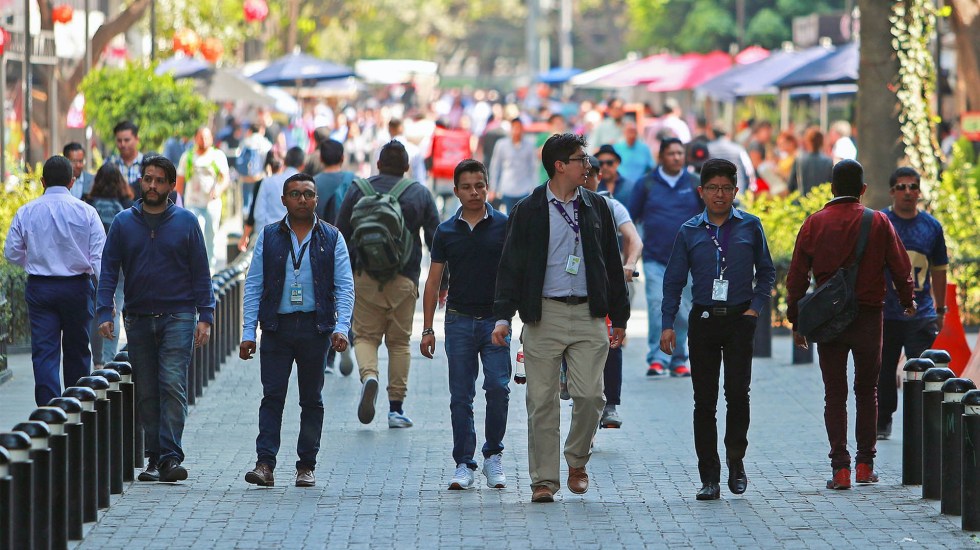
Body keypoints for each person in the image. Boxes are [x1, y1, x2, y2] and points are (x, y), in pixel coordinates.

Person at [492, 133, 630, 503]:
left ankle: (577, 459)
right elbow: (511, 268)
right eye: (581, 158)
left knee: (590, 396)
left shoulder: (596, 206)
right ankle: (543, 480)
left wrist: (620, 316)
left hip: (589, 315)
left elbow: (611, 265)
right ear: (560, 165)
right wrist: (503, 317)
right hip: (544, 314)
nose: (588, 165)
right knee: (541, 401)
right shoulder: (529, 209)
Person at [786, 159, 915, 490]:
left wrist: (796, 319)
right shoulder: (879, 222)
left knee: (834, 393)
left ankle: (840, 468)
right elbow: (901, 266)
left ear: (831, 188)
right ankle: (864, 465)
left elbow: (797, 276)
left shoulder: (814, 223)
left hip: (830, 319)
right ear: (862, 190)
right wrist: (906, 300)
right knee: (867, 390)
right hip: (870, 317)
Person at [660, 158, 775, 500]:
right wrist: (667, 325)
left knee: (738, 395)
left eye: (726, 188)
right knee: (704, 402)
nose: (720, 195)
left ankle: (736, 461)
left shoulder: (750, 226)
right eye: (713, 188)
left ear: (736, 191)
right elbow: (673, 280)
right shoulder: (690, 230)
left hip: (740, 320)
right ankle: (708, 475)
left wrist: (755, 308)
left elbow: (766, 272)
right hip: (704, 321)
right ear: (702, 192)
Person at [97, 155, 215, 483]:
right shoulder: (123, 223)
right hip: (137, 317)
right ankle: (153, 456)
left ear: (171, 186)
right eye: (148, 179)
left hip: (178, 316)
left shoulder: (187, 222)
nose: (152, 185)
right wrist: (103, 310)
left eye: (159, 180)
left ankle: (171, 457)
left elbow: (201, 273)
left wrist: (206, 315)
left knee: (172, 383)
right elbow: (108, 270)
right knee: (147, 389)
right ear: (141, 182)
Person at [239, 173, 354, 488]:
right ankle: (265, 464)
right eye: (295, 194)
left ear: (316, 199)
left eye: (308, 194)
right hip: (277, 328)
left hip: (316, 330)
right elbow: (254, 285)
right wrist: (249, 333)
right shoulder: (269, 236)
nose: (302, 199)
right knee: (272, 397)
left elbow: (345, 286)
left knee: (311, 399)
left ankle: (306, 466)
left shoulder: (332, 237)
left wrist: (341, 327)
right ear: (284, 200)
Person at [420, 159, 511, 490]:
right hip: (458, 320)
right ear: (455, 191)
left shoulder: (504, 225)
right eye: (467, 187)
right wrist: (428, 328)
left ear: (488, 187)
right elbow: (432, 282)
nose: (474, 193)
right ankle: (464, 462)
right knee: (461, 395)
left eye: (480, 186)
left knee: (499, 388)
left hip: (496, 321)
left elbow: (516, 273)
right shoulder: (446, 231)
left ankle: (493, 456)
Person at [337, 140, 440, 428]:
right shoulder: (419, 193)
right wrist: (444, 283)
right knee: (398, 343)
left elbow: (340, 233)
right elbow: (436, 241)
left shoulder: (359, 189)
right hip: (404, 278)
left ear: (378, 164)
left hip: (364, 276)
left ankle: (369, 376)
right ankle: (396, 409)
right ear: (407, 167)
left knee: (366, 337)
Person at [4, 155, 105, 406]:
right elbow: (99, 259)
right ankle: (77, 406)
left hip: (41, 288)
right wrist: (106, 297)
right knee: (78, 349)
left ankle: (49, 413)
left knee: (44, 351)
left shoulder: (26, 212)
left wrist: (34, 261)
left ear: (42, 181)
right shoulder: (87, 212)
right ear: (72, 181)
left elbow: (11, 252)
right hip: (77, 288)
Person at [877, 167, 948, 440]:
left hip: (921, 314)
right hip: (886, 311)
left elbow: (940, 269)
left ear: (919, 191)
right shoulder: (882, 222)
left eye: (913, 187)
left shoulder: (932, 227)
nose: (908, 192)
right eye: (902, 187)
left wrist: (940, 309)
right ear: (892, 191)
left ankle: (920, 423)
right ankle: (883, 420)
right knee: (884, 370)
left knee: (921, 369)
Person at [629, 138, 704, 377]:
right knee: (657, 305)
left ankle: (679, 359)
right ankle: (657, 358)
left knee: (683, 310)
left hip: (689, 261)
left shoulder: (694, 183)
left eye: (680, 153)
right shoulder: (647, 183)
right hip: (655, 259)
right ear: (661, 156)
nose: (676, 157)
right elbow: (630, 220)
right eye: (671, 153)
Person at [584, 155, 642, 429]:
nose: (586, 180)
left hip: (604, 287)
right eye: (582, 173)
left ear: (599, 177)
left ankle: (610, 404)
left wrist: (628, 265)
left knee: (612, 339)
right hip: (569, 288)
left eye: (591, 175)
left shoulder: (610, 205)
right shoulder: (560, 205)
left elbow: (633, 239)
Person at [85, 164, 135, 368]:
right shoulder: (127, 206)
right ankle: (108, 358)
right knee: (116, 305)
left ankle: (98, 361)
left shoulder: (88, 204)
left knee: (98, 309)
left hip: (94, 263)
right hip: (121, 265)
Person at [177, 127, 231, 269]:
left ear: (212, 138)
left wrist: (218, 189)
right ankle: (196, 267)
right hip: (192, 203)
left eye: (207, 137)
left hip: (211, 204)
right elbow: (180, 181)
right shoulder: (187, 157)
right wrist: (176, 204)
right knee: (196, 233)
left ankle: (210, 269)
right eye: (201, 137)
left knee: (211, 235)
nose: (204, 140)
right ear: (195, 138)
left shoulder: (218, 156)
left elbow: (225, 178)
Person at [489, 118, 540, 214]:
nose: (517, 130)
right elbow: (495, 167)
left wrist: (535, 188)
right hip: (507, 188)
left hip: (524, 188)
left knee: (523, 217)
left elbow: (533, 168)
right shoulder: (501, 144)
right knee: (508, 217)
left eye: (519, 127)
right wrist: (493, 188)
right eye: (515, 127)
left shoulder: (529, 145)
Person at [252, 147, 305, 233]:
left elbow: (259, 214)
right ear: (303, 165)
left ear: (285, 162)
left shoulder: (268, 182)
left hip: (271, 234)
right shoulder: (306, 185)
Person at [313, 139, 355, 225]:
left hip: (320, 235)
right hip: (347, 235)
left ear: (320, 158)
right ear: (342, 158)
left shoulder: (311, 183)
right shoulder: (355, 181)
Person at [104, 120, 145, 198]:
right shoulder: (109, 163)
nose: (123, 144)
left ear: (137, 139)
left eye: (127, 140)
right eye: (119, 141)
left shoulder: (146, 164)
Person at [787, 127, 834, 196]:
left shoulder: (799, 161)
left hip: (803, 202)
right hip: (822, 201)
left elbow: (790, 187)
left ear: (807, 141)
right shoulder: (828, 161)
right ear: (822, 142)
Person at [707, 125, 754, 190]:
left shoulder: (708, 148)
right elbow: (749, 171)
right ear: (728, 135)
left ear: (713, 135)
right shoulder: (739, 149)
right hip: (736, 191)